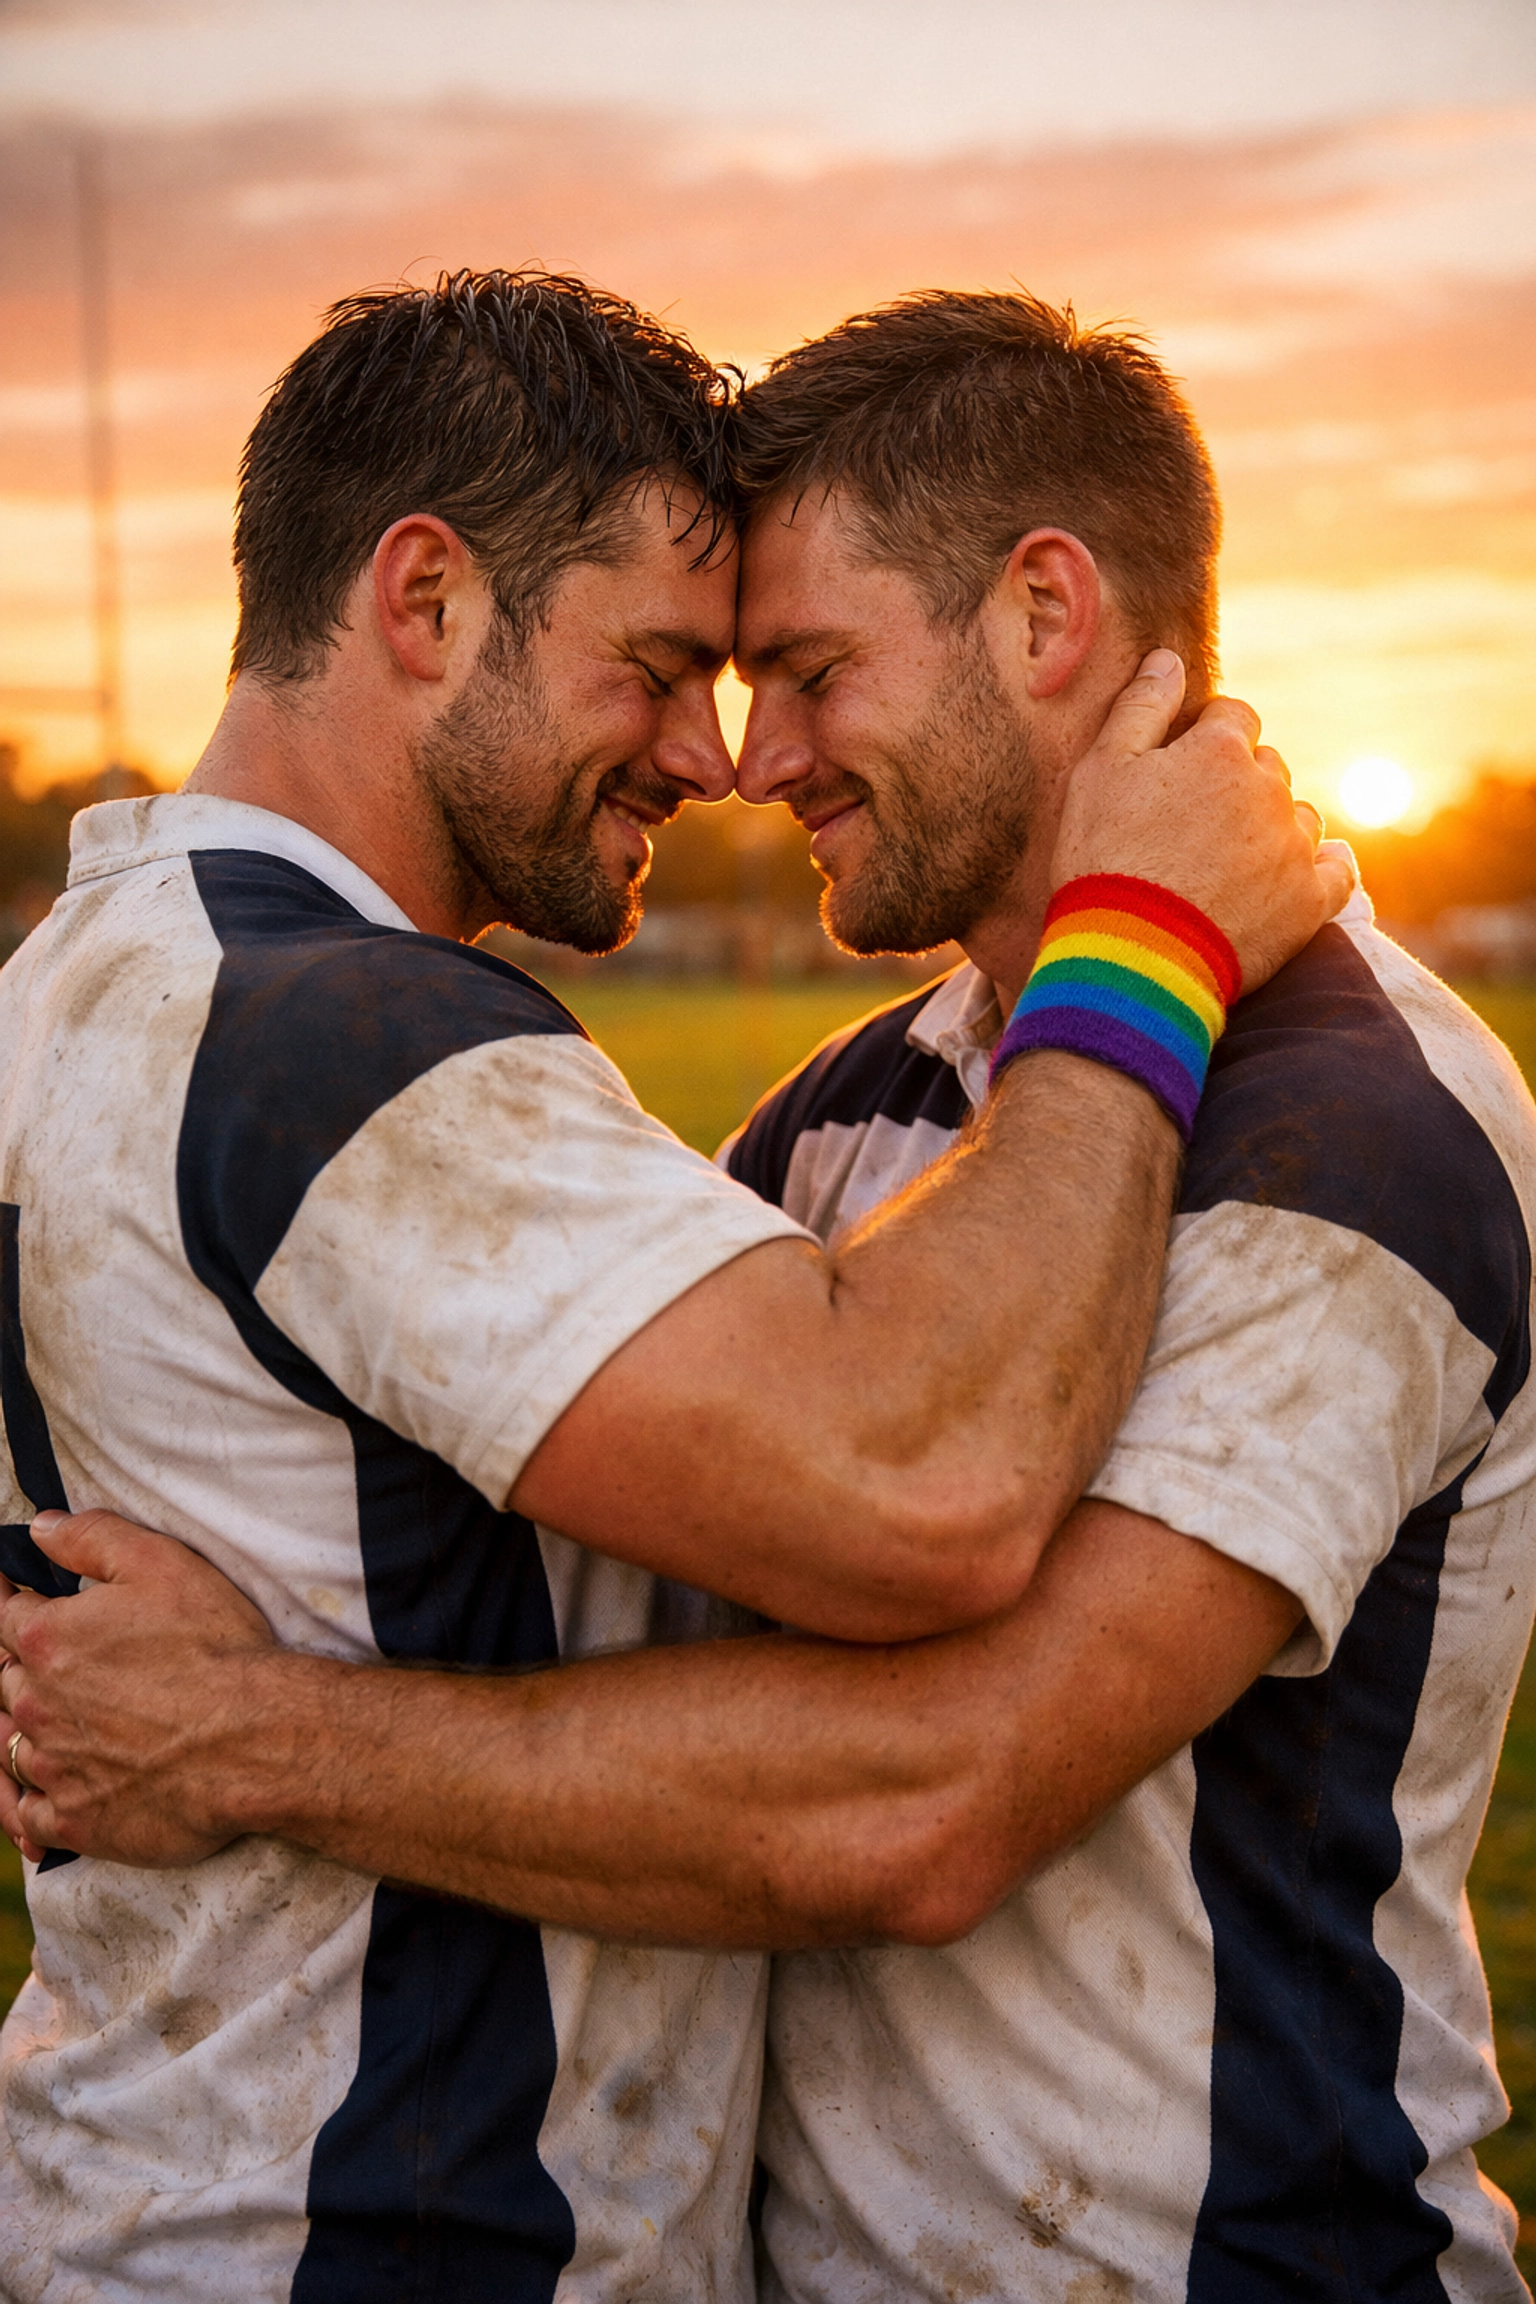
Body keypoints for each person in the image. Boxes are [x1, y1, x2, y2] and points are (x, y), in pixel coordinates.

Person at [0, 271, 1332, 2304]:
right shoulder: (334, 1033)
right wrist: (1144, 942)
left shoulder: (79, 984)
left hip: (158, 2190)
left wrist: (247, 1726)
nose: (711, 757)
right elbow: (927, 1477)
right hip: (379, 2246)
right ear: (423, 601)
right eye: (657, 666)